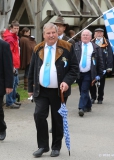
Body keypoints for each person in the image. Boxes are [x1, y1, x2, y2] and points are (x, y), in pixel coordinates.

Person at [28, 22, 79, 157]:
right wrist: (30, 88)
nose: (51, 35)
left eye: (53, 33)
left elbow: (74, 69)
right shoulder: (38, 48)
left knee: (57, 119)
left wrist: (67, 82)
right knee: (39, 115)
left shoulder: (67, 47)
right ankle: (43, 146)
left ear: (57, 33)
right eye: (48, 33)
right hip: (41, 90)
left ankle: (56, 146)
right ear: (43, 35)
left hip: (59, 91)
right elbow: (32, 69)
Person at [74, 29, 104, 117]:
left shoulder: (95, 47)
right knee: (82, 90)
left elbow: (100, 61)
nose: (85, 36)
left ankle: (81, 108)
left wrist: (99, 74)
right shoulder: (76, 46)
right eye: (83, 35)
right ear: (81, 37)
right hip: (79, 73)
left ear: (90, 37)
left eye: (87, 35)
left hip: (89, 73)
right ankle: (88, 105)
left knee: (84, 89)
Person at [90, 28, 113, 104]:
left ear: (103, 34)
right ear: (94, 34)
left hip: (103, 66)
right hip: (93, 66)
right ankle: (93, 97)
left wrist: (109, 67)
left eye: (100, 33)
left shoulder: (107, 43)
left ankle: (100, 98)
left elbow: (110, 55)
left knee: (101, 83)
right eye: (97, 33)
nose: (99, 34)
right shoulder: (91, 42)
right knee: (92, 82)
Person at [2, 20, 21, 108]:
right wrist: (12, 66)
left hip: (15, 62)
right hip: (12, 64)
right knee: (12, 83)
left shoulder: (14, 37)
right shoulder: (10, 38)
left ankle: (12, 100)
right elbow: (9, 53)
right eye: (15, 28)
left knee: (15, 82)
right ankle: (10, 101)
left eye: (17, 28)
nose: (16, 30)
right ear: (11, 28)